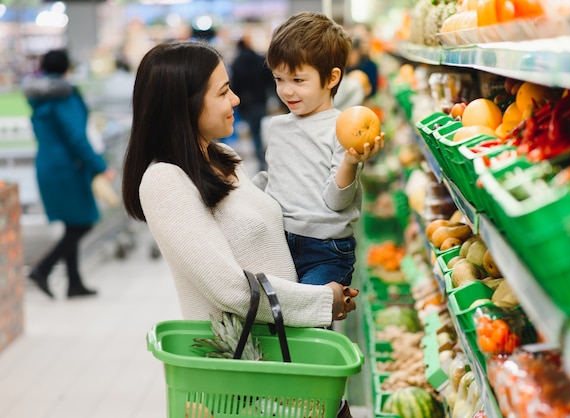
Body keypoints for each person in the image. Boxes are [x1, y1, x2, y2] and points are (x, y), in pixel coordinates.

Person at [121, 41, 358, 329]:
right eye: (223, 92)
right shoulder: (165, 180)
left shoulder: (225, 159)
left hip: (284, 344)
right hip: (245, 360)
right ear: (186, 103)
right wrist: (320, 301)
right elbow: (229, 289)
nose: (235, 99)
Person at [253, 12, 385, 287]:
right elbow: (275, 184)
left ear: (332, 77)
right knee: (278, 323)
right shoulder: (277, 127)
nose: (287, 91)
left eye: (298, 80)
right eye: (279, 79)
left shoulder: (343, 128)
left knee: (307, 323)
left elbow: (336, 202)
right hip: (279, 242)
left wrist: (350, 162)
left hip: (325, 252)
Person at [22, 49, 114, 299]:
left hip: (47, 165)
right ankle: (43, 268)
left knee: (72, 223)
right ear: (66, 68)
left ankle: (74, 283)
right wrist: (99, 166)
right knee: (83, 222)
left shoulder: (37, 98)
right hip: (68, 168)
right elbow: (76, 137)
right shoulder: (64, 97)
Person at [229, 35, 275, 171]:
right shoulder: (259, 59)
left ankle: (261, 160)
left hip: (247, 104)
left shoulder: (237, 63)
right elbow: (269, 80)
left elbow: (235, 86)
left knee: (255, 133)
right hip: (261, 100)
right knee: (262, 130)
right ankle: (267, 158)